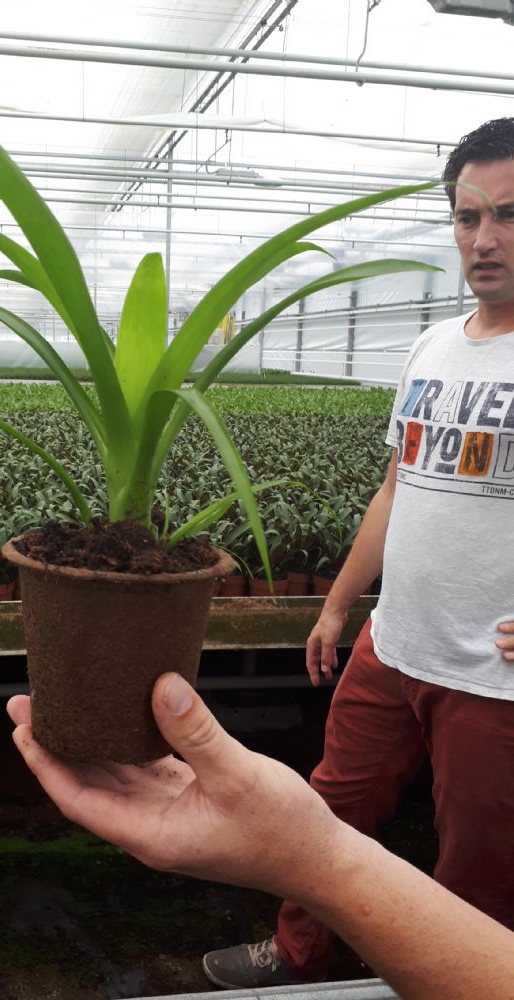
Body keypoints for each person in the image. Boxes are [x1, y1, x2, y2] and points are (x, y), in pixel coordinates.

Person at [199, 115, 514, 989]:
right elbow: (395, 488)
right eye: (467, 216)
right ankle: (300, 956)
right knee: (327, 816)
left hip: (494, 679)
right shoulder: (432, 346)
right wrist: (339, 604)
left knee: (482, 866)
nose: (484, 239)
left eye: (510, 216)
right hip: (395, 641)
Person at [7, 673, 514, 1000]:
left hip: (490, 668)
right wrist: (319, 854)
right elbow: (393, 499)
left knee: (479, 852)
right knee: (336, 798)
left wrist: (310, 853)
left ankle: (451, 959)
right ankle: (300, 955)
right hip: (398, 633)